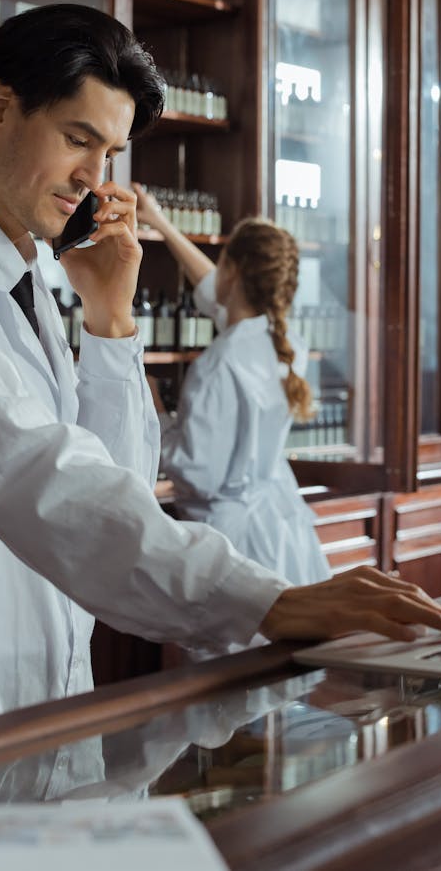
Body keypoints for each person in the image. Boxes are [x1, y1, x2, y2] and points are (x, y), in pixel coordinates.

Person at [0, 3, 441, 740]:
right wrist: (263, 601)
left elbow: (119, 482)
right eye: (79, 140)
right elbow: (31, 468)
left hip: (43, 697)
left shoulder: (34, 274)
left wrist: (111, 321)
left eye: (110, 155)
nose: (93, 181)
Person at [134, 189, 330, 587]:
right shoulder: (286, 341)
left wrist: (156, 412)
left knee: (240, 647)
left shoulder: (219, 363)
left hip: (232, 538)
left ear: (235, 271)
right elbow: (212, 288)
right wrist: (159, 222)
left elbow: (198, 471)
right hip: (282, 525)